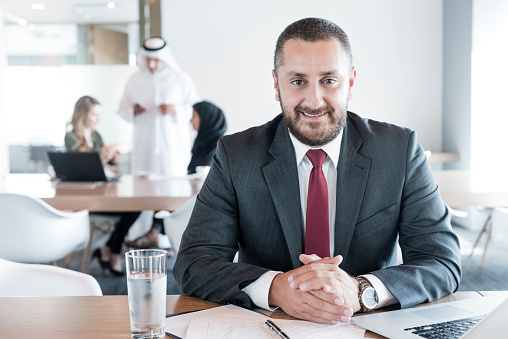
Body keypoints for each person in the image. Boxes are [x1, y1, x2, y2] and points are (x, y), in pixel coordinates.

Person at [174, 18, 461, 324]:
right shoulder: (236, 155)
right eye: (298, 81)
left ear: (350, 82)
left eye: (329, 80)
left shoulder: (400, 150)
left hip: (368, 326)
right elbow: (194, 263)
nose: (313, 101)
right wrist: (276, 288)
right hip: (269, 327)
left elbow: (441, 261)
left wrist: (361, 290)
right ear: (276, 84)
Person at [118, 36, 200, 248]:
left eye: (156, 60)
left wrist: (176, 109)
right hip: (144, 145)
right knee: (142, 188)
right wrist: (134, 110)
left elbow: (197, 110)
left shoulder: (180, 79)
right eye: (148, 60)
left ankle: (169, 237)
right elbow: (122, 109)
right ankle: (143, 232)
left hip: (172, 146)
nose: (152, 64)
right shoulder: (135, 80)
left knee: (171, 188)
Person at [65, 95, 140, 276]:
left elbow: (103, 167)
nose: (97, 119)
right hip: (83, 200)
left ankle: (108, 248)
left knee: (137, 207)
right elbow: (81, 167)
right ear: (82, 114)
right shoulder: (71, 137)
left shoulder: (96, 135)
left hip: (102, 195)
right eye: (94, 115)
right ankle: (113, 252)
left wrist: (112, 159)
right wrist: (102, 158)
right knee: (134, 209)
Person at [188, 101, 227, 174]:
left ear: (205, 118)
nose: (191, 120)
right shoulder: (201, 142)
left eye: (194, 116)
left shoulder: (220, 148)